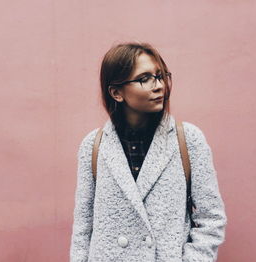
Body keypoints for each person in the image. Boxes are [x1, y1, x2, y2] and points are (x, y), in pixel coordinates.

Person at [69, 42, 227, 262]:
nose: (159, 85)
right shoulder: (93, 145)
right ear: (116, 92)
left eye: (160, 76)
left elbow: (210, 218)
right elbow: (84, 225)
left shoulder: (188, 139)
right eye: (145, 79)